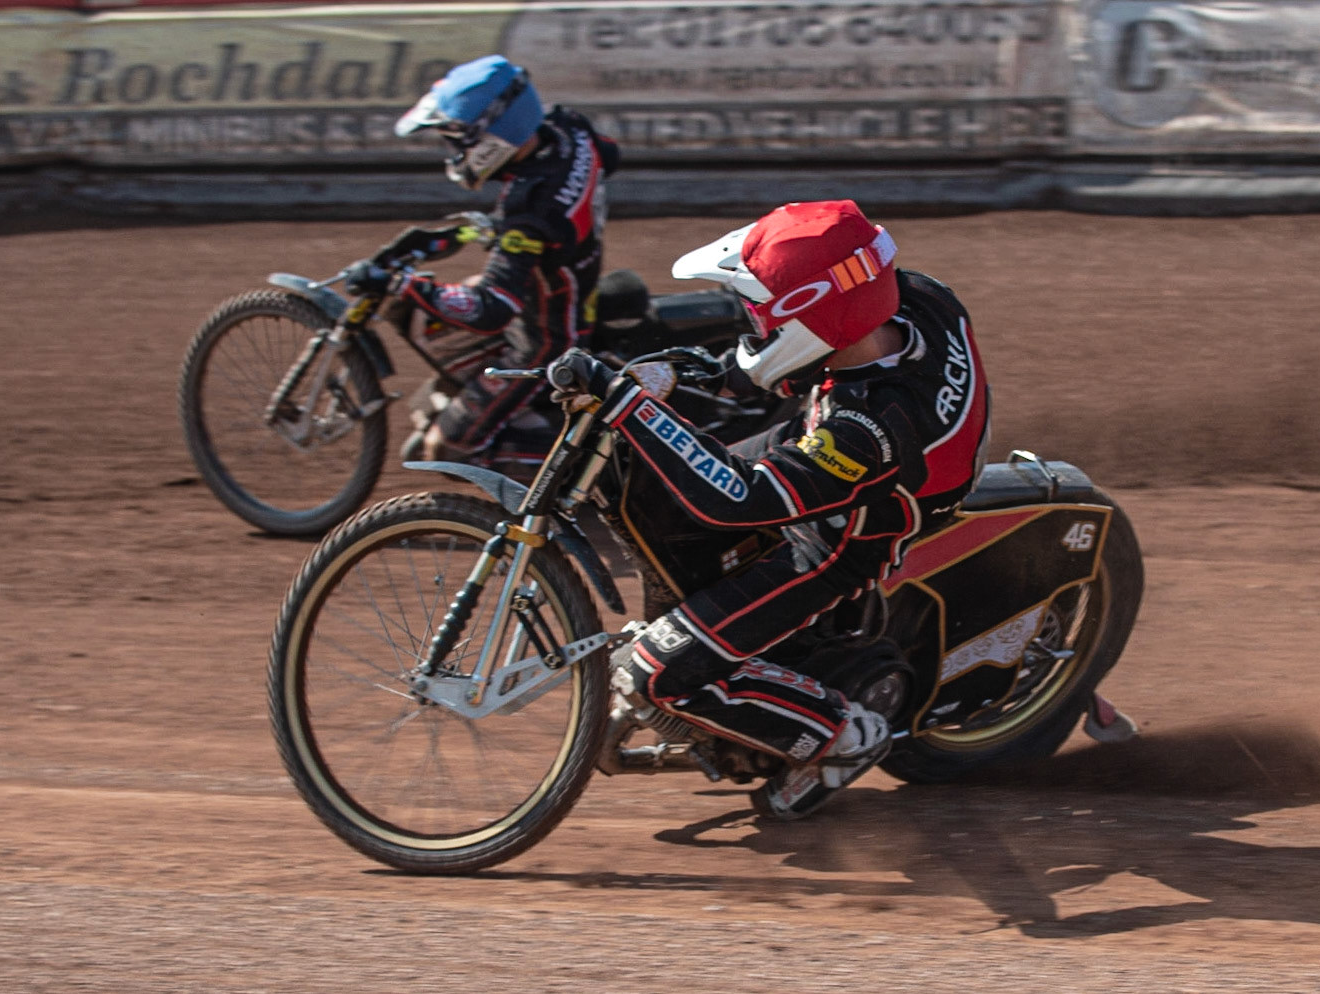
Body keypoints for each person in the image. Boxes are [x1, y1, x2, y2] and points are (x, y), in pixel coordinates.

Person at [546, 199, 992, 818]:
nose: (750, 320)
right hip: (854, 457)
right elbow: (797, 356)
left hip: (843, 539)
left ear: (813, 316)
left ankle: (842, 736)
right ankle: (722, 641)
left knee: (651, 674)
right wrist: (702, 372)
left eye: (759, 310)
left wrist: (629, 406)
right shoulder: (912, 298)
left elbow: (739, 499)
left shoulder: (866, 427)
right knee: (667, 493)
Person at [343, 54, 620, 461]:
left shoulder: (529, 213)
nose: (454, 150)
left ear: (494, 135)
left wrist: (401, 284)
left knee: (443, 447)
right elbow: (609, 156)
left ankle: (591, 466)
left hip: (546, 338)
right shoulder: (568, 126)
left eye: (458, 140)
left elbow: (491, 309)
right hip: (570, 283)